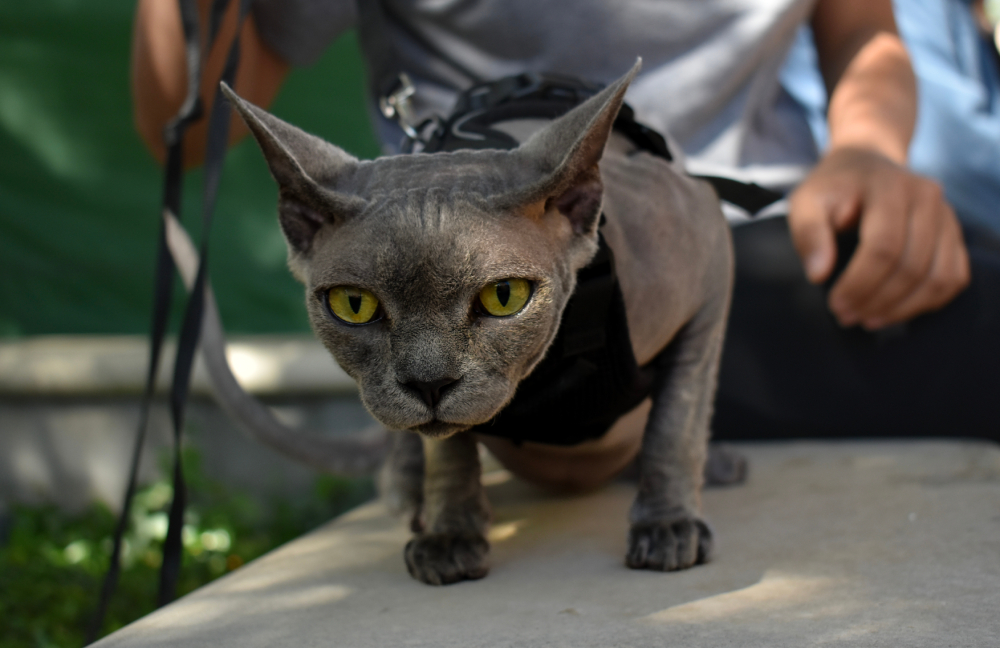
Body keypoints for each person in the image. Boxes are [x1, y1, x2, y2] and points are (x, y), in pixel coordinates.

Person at [131, 0, 1000, 438]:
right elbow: (186, 123)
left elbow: (863, 31)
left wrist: (871, 153)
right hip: (500, 279)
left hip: (752, 239)